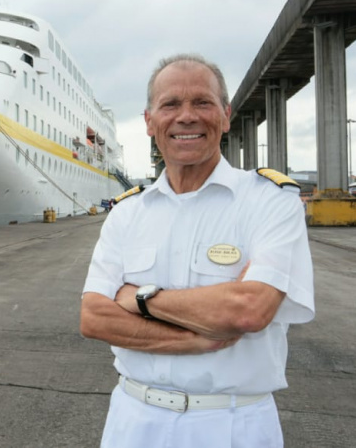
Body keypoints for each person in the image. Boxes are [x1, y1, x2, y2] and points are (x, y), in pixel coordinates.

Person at [80, 54, 314, 447]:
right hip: (133, 421)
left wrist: (137, 298)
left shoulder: (271, 200)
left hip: (232, 423)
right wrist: (197, 339)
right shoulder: (127, 212)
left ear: (225, 115)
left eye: (202, 102)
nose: (186, 116)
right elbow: (93, 317)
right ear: (149, 121)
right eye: (170, 104)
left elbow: (248, 310)